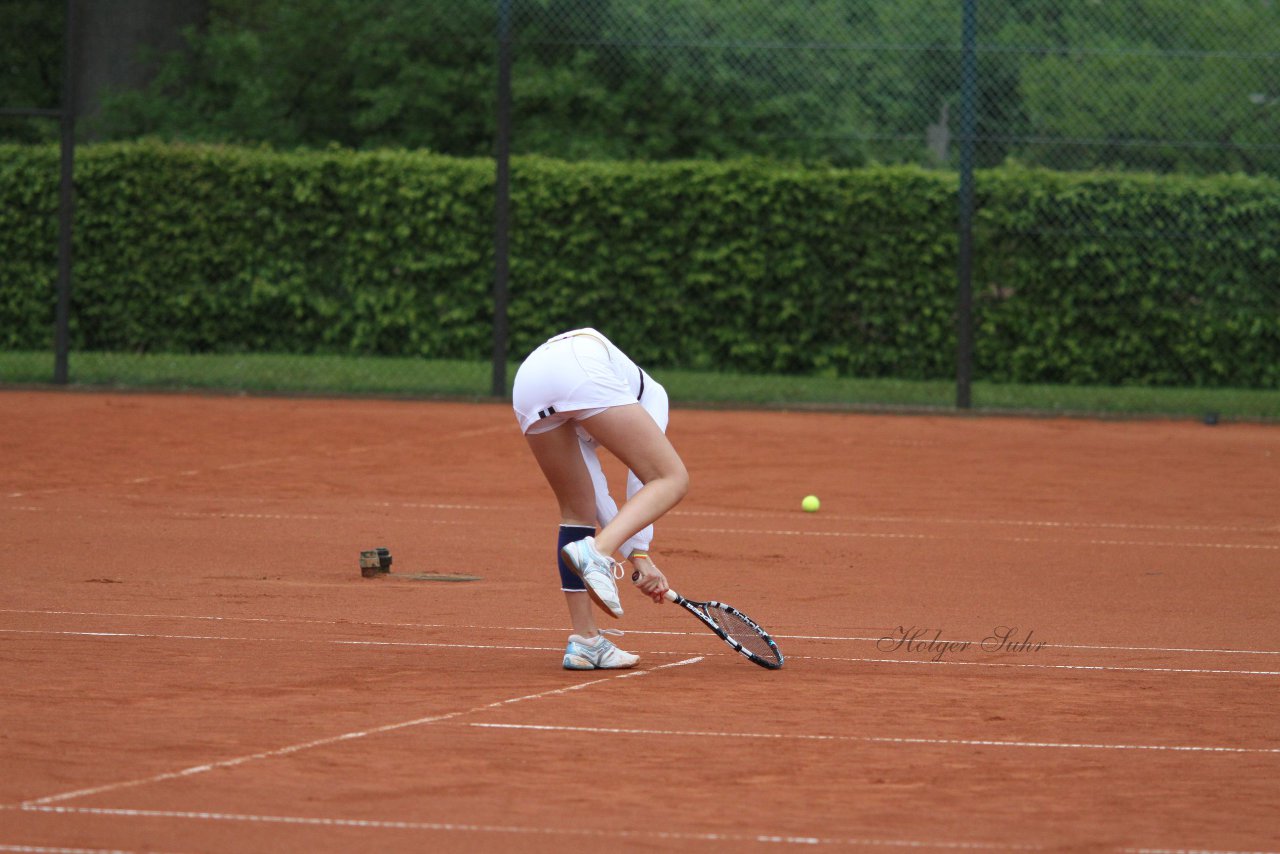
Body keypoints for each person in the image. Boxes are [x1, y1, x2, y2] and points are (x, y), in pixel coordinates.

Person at [512, 328, 689, 670]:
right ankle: (596, 554)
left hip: (529, 380)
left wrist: (637, 556)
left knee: (577, 511)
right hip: (577, 367)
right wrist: (632, 551)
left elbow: (597, 499)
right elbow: (647, 477)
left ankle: (586, 642)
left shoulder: (598, 405)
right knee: (672, 477)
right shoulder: (652, 395)